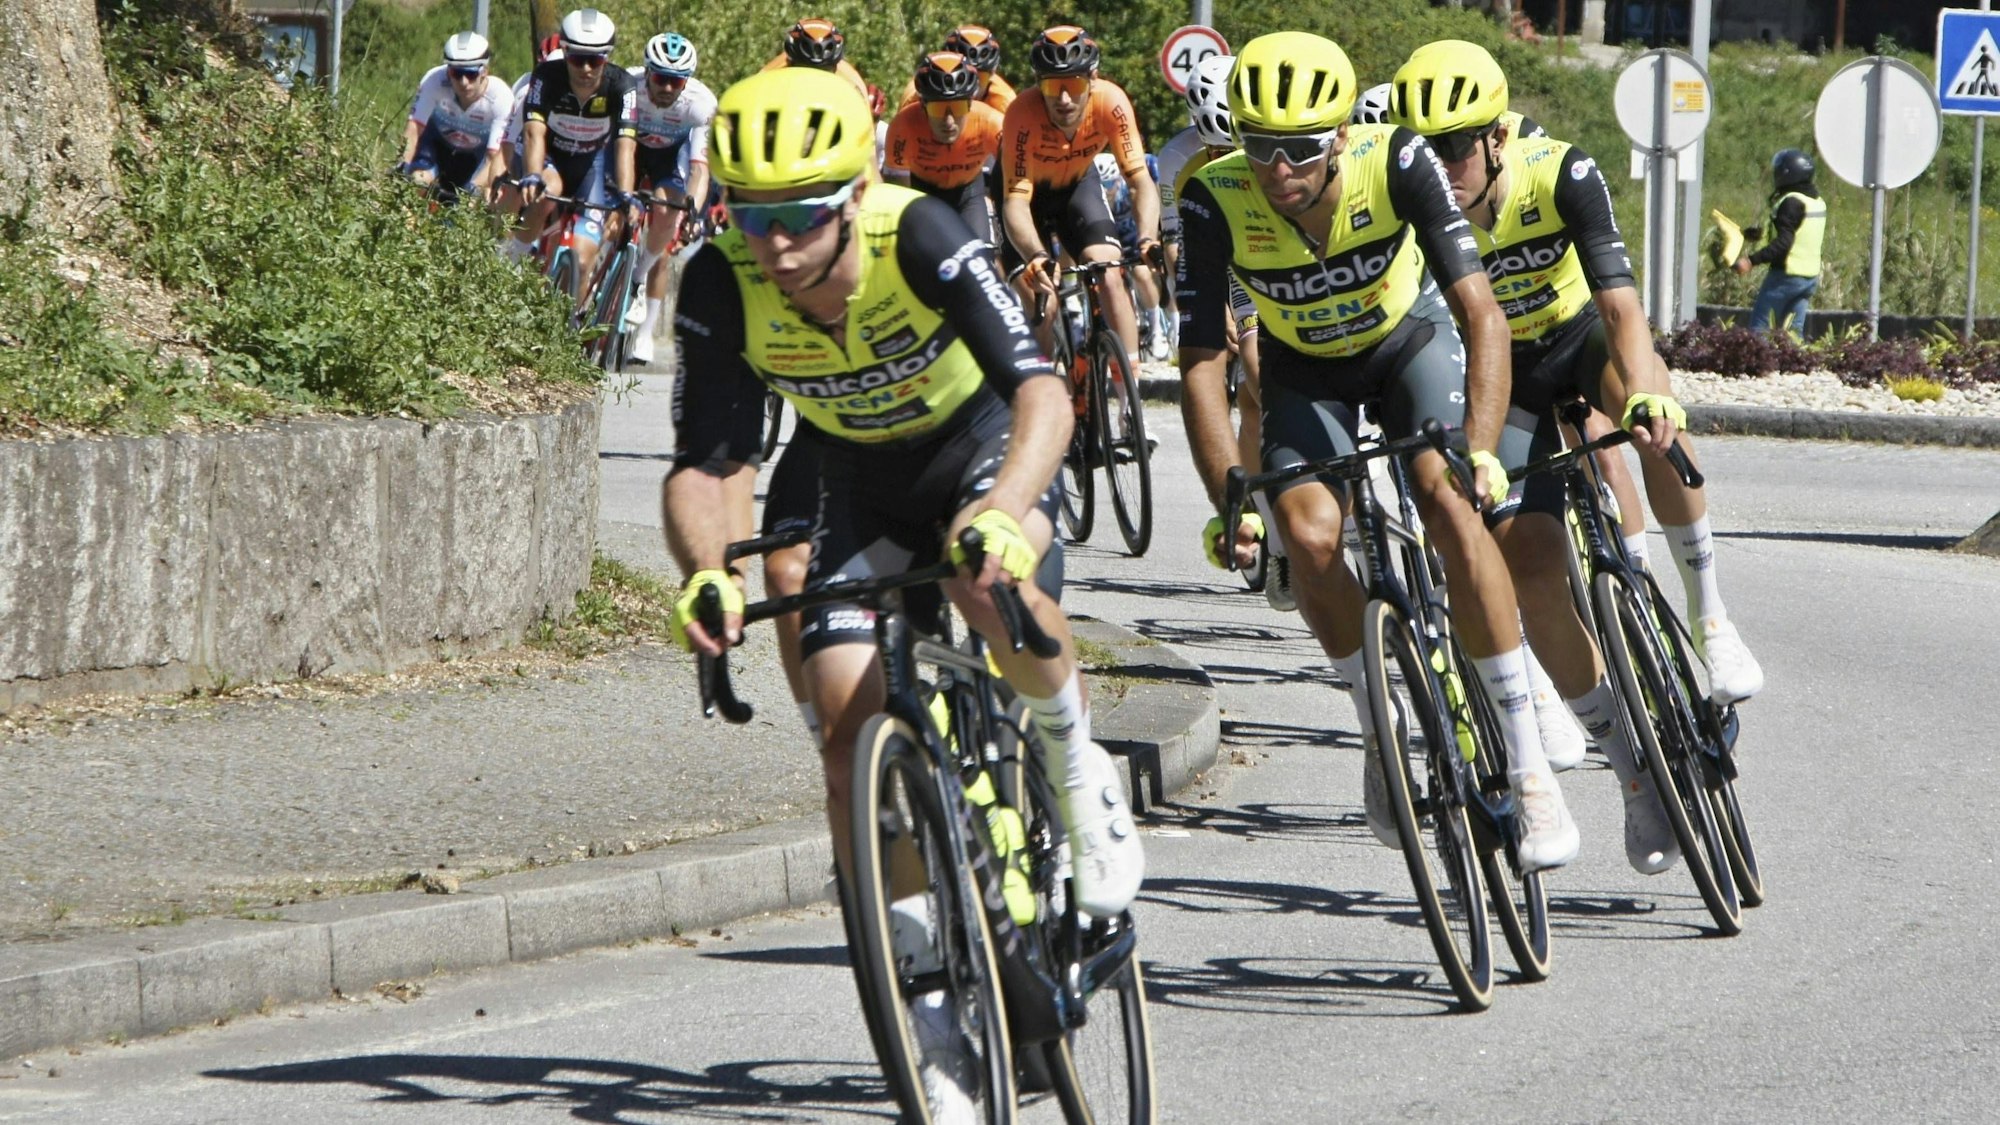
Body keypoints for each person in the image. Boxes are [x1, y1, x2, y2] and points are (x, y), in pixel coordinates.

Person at [664, 73, 1145, 1112]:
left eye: (797, 217)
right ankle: (925, 1003)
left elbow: (1041, 393)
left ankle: (1074, 770)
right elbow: (706, 467)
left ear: (847, 197)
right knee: (847, 735)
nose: (774, 245)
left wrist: (1008, 508)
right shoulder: (720, 281)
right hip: (861, 488)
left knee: (984, 583)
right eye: (750, 216)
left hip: (980, 451)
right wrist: (708, 572)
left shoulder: (915, 233)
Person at [1176, 31, 1578, 871]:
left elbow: (1483, 315)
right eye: (1258, 147)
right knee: (1309, 534)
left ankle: (1529, 761)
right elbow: (1201, 365)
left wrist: (1480, 449)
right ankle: (1377, 722)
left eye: (1298, 150)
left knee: (1448, 500)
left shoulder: (1395, 160)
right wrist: (1230, 501)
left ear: (1340, 141)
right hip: (1304, 369)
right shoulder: (1213, 198)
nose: (1276, 170)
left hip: (1409, 345)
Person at [1391, 40, 1765, 872]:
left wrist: (1641, 391)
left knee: (1657, 413)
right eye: (1426, 149)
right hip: (1506, 376)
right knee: (1528, 564)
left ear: (1494, 137)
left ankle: (1712, 616)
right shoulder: (1412, 211)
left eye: (1456, 147)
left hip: (1578, 335)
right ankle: (1634, 776)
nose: (1441, 166)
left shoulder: (1561, 172)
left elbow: (1622, 306)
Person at [1156, 52, 1294, 610]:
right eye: (1212, 147)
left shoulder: (1270, 139)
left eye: (1231, 146)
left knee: (1255, 392)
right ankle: (1277, 537)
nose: (1222, 159)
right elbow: (1174, 244)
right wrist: (1214, 311)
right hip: (1223, 260)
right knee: (1253, 383)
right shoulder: (1176, 159)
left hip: (1276, 251)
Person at [1000, 25, 1161, 369]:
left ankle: (1127, 398)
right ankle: (1045, 390)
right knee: (1045, 300)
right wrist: (1038, 255)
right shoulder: (1021, 114)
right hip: (1028, 203)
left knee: (1111, 273)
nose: (1063, 99)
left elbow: (1139, 181)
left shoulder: (1110, 101)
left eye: (1073, 85)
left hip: (1077, 188)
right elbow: (1014, 200)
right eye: (1051, 86)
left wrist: (1147, 237)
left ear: (1093, 78)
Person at [503, 8, 643, 307]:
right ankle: (507, 266)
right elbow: (533, 132)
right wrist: (531, 174)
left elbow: (625, 145)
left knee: (581, 261)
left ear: (607, 57)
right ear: (564, 52)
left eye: (596, 59)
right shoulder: (546, 77)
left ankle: (567, 330)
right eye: (577, 58)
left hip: (591, 167)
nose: (586, 68)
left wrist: (626, 194)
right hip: (552, 157)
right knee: (546, 192)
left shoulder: (623, 86)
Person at [623, 31, 715, 366]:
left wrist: (691, 210)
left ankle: (643, 322)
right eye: (660, 79)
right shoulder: (626, 86)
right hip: (629, 149)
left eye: (676, 82)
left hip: (670, 157)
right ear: (647, 72)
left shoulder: (701, 103)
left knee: (667, 211)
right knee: (610, 211)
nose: (666, 88)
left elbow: (700, 170)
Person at [881, 51, 1005, 242]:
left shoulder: (990, 121)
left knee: (981, 254)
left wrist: (997, 200)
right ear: (923, 105)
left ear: (971, 103)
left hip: (968, 193)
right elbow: (897, 194)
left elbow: (1018, 172)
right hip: (921, 192)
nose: (948, 121)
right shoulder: (903, 126)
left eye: (958, 108)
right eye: (938, 109)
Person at [398, 32, 513, 204]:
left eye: (471, 74)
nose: (464, 82)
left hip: (476, 157)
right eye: (456, 73)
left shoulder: (501, 97)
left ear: (485, 71)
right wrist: (401, 165)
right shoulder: (434, 81)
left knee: (467, 202)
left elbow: (493, 157)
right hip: (436, 146)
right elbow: (414, 128)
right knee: (414, 185)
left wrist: (473, 192)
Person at [1735, 148, 1825, 338]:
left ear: (1786, 174)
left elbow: (1784, 242)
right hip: (1808, 277)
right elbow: (1798, 231)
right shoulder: (1815, 200)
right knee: (1793, 332)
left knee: (1760, 326)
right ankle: (1795, 365)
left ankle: (1757, 364)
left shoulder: (1791, 202)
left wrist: (1751, 261)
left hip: (1786, 276)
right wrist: (1756, 235)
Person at [897, 25, 1017, 114]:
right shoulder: (916, 97)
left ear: (993, 72)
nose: (968, 86)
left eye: (979, 78)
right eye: (960, 76)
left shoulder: (1006, 102)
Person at [760, 17, 871, 102]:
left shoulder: (852, 81)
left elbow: (865, 123)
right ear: (790, 62)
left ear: (836, 66)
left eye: (825, 72)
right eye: (802, 70)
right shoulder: (771, 73)